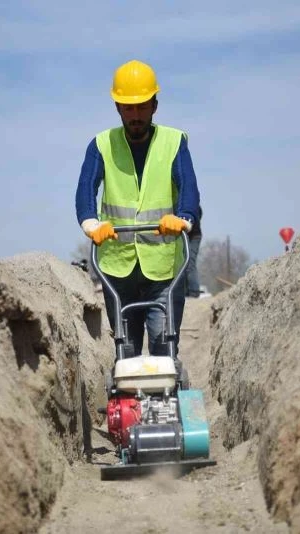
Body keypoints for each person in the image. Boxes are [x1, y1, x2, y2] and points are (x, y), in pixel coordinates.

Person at [75, 59, 201, 366]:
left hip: (163, 269)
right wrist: (91, 224)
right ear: (117, 107)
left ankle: (167, 405)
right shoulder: (101, 145)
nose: (135, 115)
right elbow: (84, 191)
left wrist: (183, 219)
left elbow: (189, 189)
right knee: (125, 351)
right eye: (128, 108)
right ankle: (129, 410)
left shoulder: (174, 143)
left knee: (164, 347)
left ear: (154, 105)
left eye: (142, 107)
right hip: (117, 268)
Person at [185, 205, 203, 298]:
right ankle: (186, 290)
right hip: (185, 235)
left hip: (194, 236)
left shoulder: (191, 203)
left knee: (190, 262)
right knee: (182, 263)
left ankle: (194, 291)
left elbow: (199, 214)